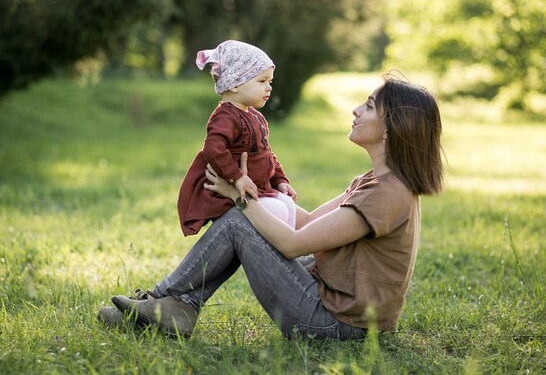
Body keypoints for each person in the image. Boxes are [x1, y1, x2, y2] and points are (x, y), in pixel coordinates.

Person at [98, 74, 444, 341]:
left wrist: (240, 196)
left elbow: (293, 244)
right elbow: (305, 223)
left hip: (336, 323)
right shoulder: (375, 182)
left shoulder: (387, 194)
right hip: (338, 308)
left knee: (238, 221)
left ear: (392, 128)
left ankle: (169, 302)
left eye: (368, 106)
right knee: (248, 220)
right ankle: (175, 306)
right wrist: (267, 187)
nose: (356, 110)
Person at [177, 40, 297, 236]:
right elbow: (213, 149)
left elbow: (266, 154)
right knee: (278, 210)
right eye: (261, 81)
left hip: (258, 189)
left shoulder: (255, 116)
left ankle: (285, 256)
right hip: (231, 192)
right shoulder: (226, 116)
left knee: (287, 203)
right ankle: (269, 257)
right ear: (234, 83)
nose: (269, 88)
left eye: (270, 82)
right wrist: (238, 177)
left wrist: (280, 180)